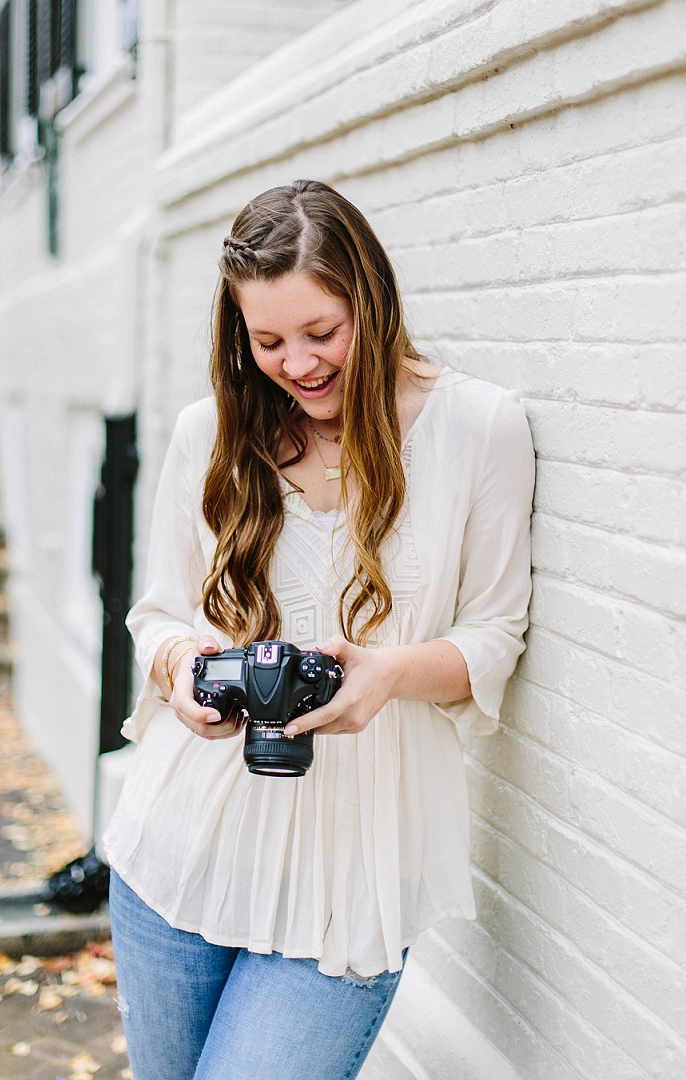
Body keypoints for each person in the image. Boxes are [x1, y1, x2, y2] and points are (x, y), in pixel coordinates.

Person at [103, 179, 534, 1080]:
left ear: (370, 306)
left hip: (350, 881)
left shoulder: (479, 428)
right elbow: (157, 613)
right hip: (176, 851)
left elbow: (495, 632)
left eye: (320, 333)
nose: (297, 364)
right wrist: (182, 664)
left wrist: (390, 674)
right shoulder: (210, 431)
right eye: (268, 341)